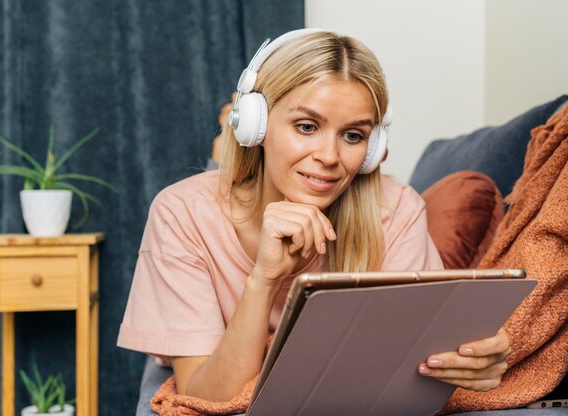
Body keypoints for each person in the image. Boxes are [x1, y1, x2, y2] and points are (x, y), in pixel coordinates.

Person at [118, 29, 511, 404]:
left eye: (353, 136)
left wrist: (469, 365)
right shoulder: (181, 213)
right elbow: (205, 400)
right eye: (306, 127)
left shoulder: (397, 210)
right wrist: (264, 279)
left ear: (373, 149)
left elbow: (403, 371)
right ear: (255, 125)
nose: (328, 156)